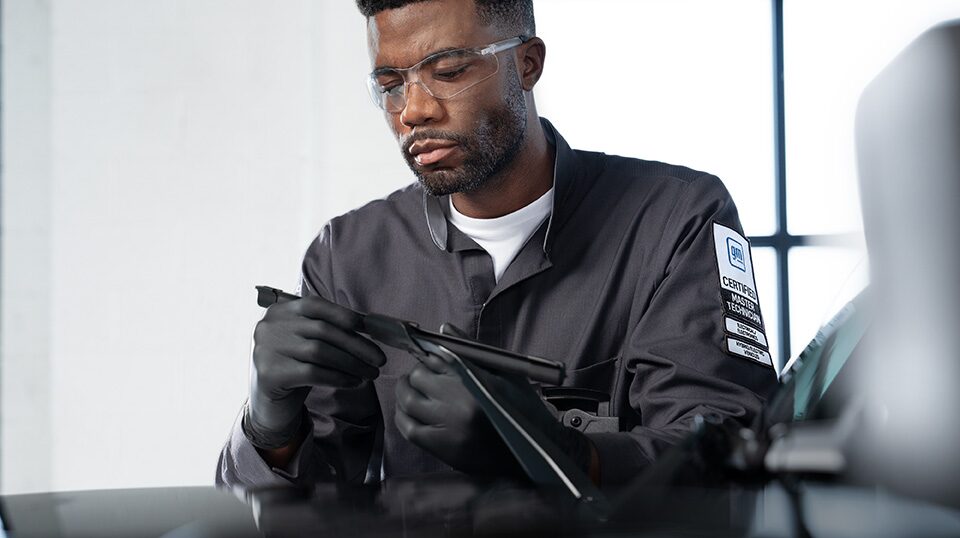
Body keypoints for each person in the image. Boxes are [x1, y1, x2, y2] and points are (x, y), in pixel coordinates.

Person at [217, 0, 778, 489]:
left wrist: (555, 454)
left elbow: (729, 455)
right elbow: (301, 511)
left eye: (449, 69)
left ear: (527, 63)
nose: (413, 111)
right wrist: (270, 427)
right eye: (390, 85)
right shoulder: (346, 257)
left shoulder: (676, 220)